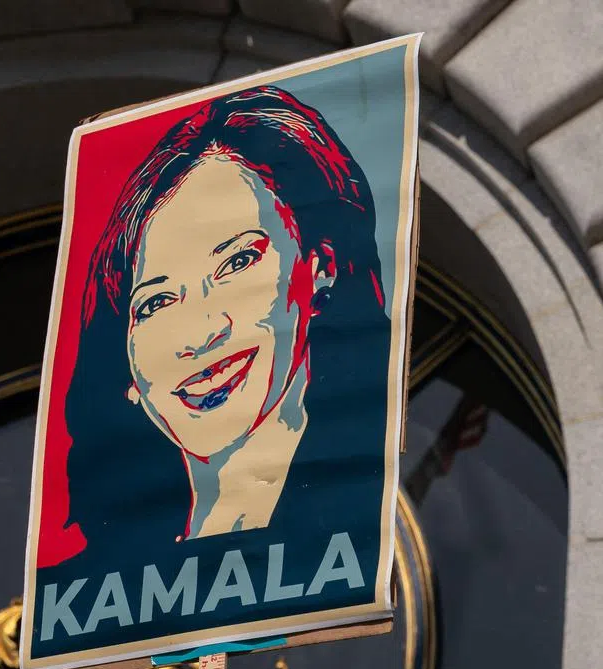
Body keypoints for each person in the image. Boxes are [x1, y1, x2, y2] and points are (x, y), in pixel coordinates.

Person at [60, 85, 392, 563]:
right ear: (125, 367)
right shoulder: (94, 591)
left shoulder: (379, 513)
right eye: (155, 304)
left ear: (320, 267)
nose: (200, 333)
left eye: (237, 263)